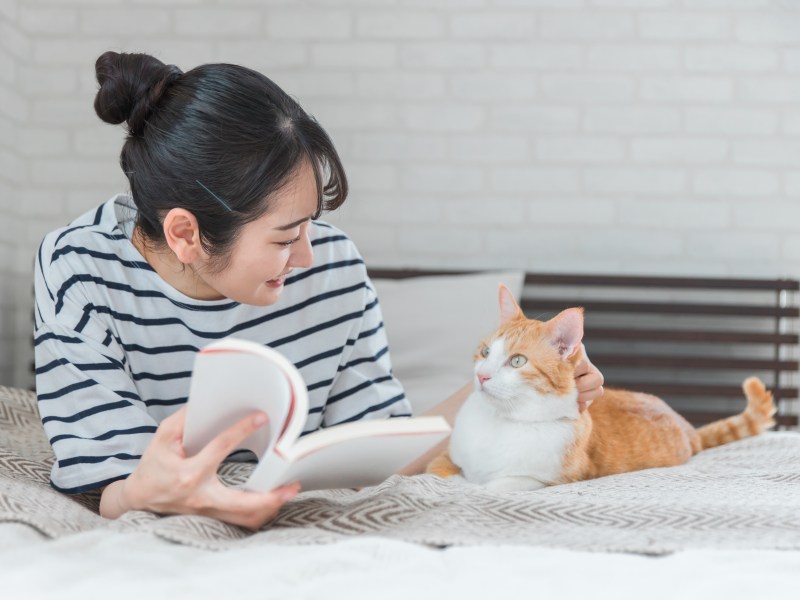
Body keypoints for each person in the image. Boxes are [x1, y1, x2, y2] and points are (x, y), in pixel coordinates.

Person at [34, 52, 605, 530]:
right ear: (187, 233)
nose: (309, 254)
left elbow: (380, 450)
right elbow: (103, 483)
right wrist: (146, 494)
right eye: (285, 237)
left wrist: (532, 390)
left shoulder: (335, 267)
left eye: (311, 224)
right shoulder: (80, 268)